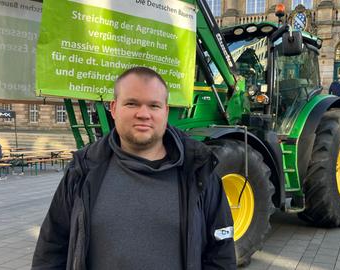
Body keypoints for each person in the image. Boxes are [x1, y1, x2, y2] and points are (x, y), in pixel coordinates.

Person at [32, 67, 236, 269]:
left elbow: (221, 255)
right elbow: (51, 248)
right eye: (131, 103)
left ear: (165, 111)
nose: (143, 114)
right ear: (113, 108)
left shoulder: (198, 171)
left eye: (154, 106)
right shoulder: (83, 170)